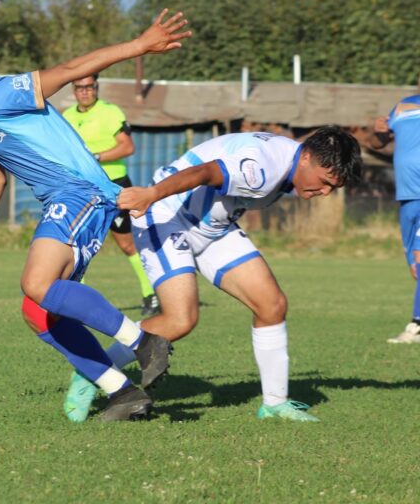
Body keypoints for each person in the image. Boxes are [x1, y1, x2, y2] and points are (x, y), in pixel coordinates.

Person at [0, 8, 191, 421]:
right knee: (39, 310)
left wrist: (140, 45)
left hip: (83, 193)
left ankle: (144, 342)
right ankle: (123, 392)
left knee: (36, 283)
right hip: (65, 199)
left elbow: (71, 68)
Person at [66, 126, 363, 422]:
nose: (324, 192)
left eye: (332, 189)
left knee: (271, 305)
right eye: (325, 182)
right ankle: (93, 369)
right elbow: (206, 172)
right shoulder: (262, 167)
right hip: (167, 216)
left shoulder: (291, 159)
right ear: (306, 156)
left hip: (214, 229)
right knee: (180, 320)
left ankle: (275, 404)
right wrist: (152, 194)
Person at [62, 73, 160, 317]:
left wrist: (94, 158)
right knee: (76, 243)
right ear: (74, 90)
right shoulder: (67, 117)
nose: (85, 92)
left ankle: (151, 293)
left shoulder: (110, 112)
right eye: (79, 88)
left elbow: (127, 146)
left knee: (127, 243)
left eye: (89, 87)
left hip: (114, 186)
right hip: (83, 188)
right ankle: (78, 299)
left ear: (96, 87)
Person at [370, 95, 420, 344]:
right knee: (415, 266)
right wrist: (378, 132)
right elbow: (377, 144)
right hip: (407, 196)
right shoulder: (402, 106)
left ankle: (416, 326)